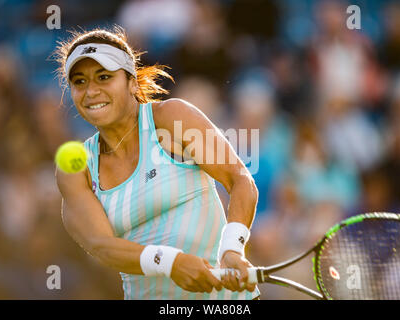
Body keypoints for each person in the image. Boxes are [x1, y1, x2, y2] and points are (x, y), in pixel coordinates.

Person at [54, 26, 260, 300]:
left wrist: (232, 248)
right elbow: (101, 246)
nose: (91, 91)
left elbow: (239, 180)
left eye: (104, 77)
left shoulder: (171, 117)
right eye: (79, 82)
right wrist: (170, 262)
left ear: (131, 82)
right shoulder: (76, 169)